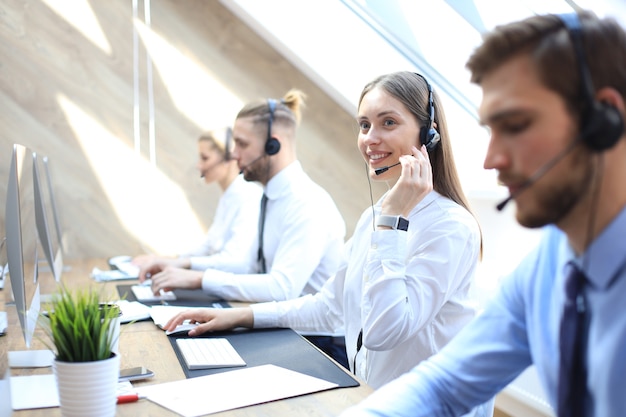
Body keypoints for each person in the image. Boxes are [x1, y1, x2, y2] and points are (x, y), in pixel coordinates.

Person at [337, 10, 626, 417]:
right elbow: (443, 386)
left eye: (517, 125)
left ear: (604, 121)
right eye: (491, 130)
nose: (491, 161)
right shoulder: (547, 267)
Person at [165, 71, 489, 409]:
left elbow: (384, 333)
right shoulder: (375, 218)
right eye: (364, 125)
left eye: (388, 123)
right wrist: (240, 317)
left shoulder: (449, 227)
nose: (370, 138)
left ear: (429, 135)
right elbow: (329, 306)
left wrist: (392, 220)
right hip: (372, 397)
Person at [144, 89, 349, 366]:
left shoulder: (307, 204)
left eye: (241, 144)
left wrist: (199, 279)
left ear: (273, 145)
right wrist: (188, 271)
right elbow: (250, 265)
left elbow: (281, 288)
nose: (233, 154)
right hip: (283, 331)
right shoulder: (270, 196)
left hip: (314, 343)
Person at [133, 127, 262, 274]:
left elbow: (236, 261)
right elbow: (210, 245)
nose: (198, 165)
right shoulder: (229, 195)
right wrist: (171, 259)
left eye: (205, 158)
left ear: (229, 158)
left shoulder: (248, 197)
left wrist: (181, 264)